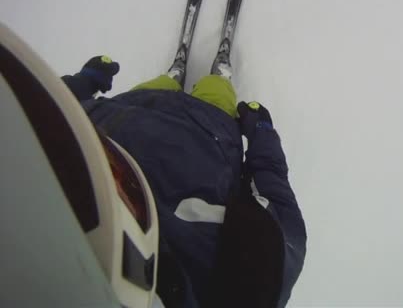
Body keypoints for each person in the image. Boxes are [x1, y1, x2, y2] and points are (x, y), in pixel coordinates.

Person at [55, 47, 306, 306]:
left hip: (129, 109)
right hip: (204, 128)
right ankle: (217, 78)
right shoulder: (251, 290)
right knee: (215, 90)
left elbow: (41, 116)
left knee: (160, 85)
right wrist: (263, 133)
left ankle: (174, 78)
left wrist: (81, 84)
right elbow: (278, 200)